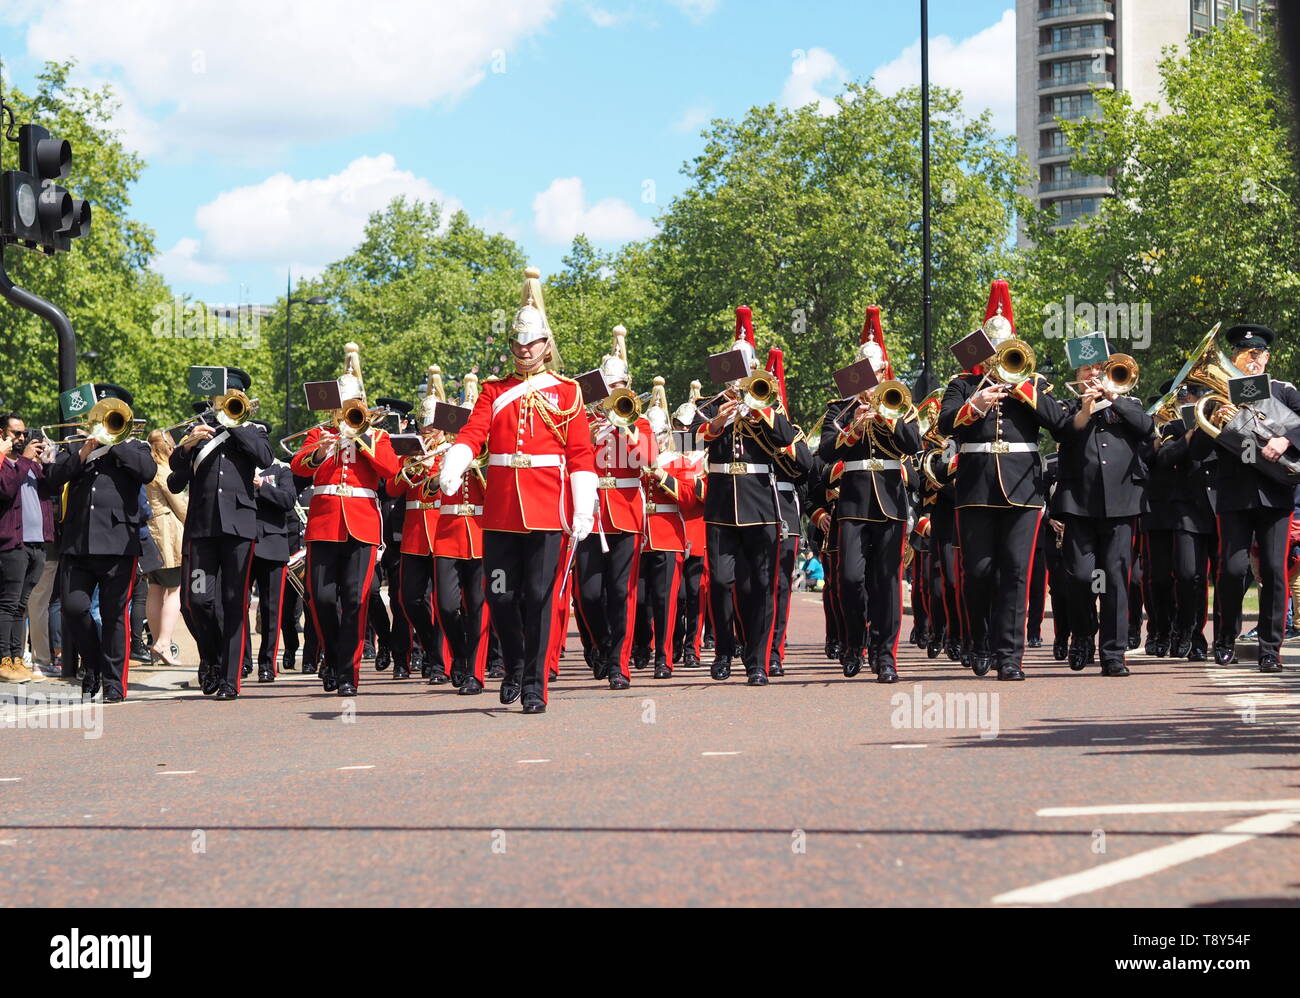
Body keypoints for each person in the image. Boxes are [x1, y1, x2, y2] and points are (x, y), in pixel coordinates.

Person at [437, 266, 597, 714]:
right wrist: (457, 460)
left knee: (540, 597)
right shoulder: (494, 390)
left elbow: (580, 454)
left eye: (532, 344)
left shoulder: (568, 393)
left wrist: (583, 504)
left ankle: (534, 684)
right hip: (503, 510)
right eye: (517, 345)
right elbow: (474, 433)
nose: (524, 351)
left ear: (546, 347)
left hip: (547, 510)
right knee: (501, 594)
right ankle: (515, 663)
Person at [937, 281, 1066, 681]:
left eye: (1004, 350)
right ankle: (981, 643)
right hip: (975, 487)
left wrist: (1024, 389)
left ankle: (1010, 656)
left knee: (1015, 572)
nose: (998, 357)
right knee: (978, 572)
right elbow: (944, 424)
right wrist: (973, 405)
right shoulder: (962, 383)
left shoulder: (1034, 384)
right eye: (992, 350)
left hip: (1022, 488)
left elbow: (1059, 424)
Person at [694, 305, 798, 686]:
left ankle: (757, 660)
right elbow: (686, 437)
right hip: (722, 502)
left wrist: (759, 412)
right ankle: (724, 650)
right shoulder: (709, 404)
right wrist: (720, 419)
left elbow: (786, 439)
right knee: (722, 581)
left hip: (760, 502)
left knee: (760, 584)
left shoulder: (768, 401)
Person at [1189, 323, 1300, 673]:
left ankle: (1270, 649)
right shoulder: (1221, 397)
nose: (1250, 360)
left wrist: (1287, 440)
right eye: (1243, 354)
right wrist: (1213, 418)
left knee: (1273, 569)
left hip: (1275, 492)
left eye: (1257, 354)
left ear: (1267, 357)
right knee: (1233, 570)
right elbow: (1199, 449)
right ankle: (1225, 639)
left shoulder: (1283, 391)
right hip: (1234, 492)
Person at [290, 344, 401, 697]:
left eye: (352, 406)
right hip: (324, 524)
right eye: (341, 406)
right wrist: (321, 450)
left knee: (356, 599)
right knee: (320, 599)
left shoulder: (378, 436)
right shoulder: (318, 434)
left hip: (361, 525)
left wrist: (364, 438)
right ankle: (334, 658)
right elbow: (298, 468)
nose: (346, 412)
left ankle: (348, 673)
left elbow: (391, 471)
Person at [818, 307, 920, 683]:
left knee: (887, 580)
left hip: (891, 501)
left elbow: (914, 442)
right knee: (849, 578)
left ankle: (885, 654)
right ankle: (853, 643)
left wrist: (888, 417)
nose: (870, 380)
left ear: (883, 373)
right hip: (854, 502)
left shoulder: (900, 403)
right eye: (863, 372)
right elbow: (826, 453)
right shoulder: (838, 410)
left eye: (876, 373)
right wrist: (854, 428)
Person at [47, 384, 157, 702]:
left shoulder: (134, 449)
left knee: (114, 615)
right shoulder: (79, 449)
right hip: (78, 544)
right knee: (73, 608)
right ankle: (93, 665)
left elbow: (147, 472)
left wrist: (113, 442)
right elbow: (53, 477)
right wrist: (83, 452)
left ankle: (113, 682)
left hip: (118, 545)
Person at [169, 368, 273, 701]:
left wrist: (235, 423)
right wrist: (188, 445)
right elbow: (175, 472)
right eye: (222, 397)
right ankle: (211, 658)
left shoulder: (251, 429)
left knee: (233, 603)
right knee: (198, 600)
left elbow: (265, 458)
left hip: (239, 529)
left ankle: (229, 678)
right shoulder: (198, 428)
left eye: (233, 397)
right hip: (202, 528)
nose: (226, 402)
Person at [1054, 348, 1153, 677]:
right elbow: (1064, 433)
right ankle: (1082, 634)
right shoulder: (1067, 407)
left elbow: (1146, 428)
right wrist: (1085, 409)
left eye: (1098, 369)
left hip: (1122, 503)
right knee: (1080, 577)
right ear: (1077, 376)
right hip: (1079, 503)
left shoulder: (1129, 404)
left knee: (1115, 579)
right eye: (1085, 370)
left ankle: (1114, 652)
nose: (1092, 375)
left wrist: (1113, 398)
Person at [575, 325, 654, 690]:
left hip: (624, 512)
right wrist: (587, 437)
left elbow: (647, 461)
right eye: (607, 389)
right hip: (590, 513)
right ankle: (604, 645)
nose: (612, 395)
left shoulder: (639, 422)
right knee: (589, 593)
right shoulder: (584, 423)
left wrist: (627, 429)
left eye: (618, 387)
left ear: (628, 387)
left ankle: (620, 664)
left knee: (621, 591)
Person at [0, 412, 53, 683]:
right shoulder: (5, 463)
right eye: (15, 434)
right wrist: (24, 459)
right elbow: (6, 490)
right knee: (8, 604)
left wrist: (48, 463)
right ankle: (3, 660)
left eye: (23, 434)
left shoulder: (28, 464)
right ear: (2, 434)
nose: (22, 438)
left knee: (22, 605)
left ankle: (17, 658)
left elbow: (50, 489)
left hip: (37, 543)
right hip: (12, 543)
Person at [142, 429, 186, 666]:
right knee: (174, 589)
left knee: (155, 589)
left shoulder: (147, 470)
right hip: (167, 534)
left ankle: (157, 643)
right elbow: (181, 506)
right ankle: (163, 642)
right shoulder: (165, 471)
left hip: (150, 534)